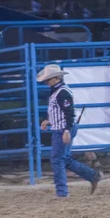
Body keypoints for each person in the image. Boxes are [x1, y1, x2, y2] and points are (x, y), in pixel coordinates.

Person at [37, 64, 103, 198]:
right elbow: (63, 112)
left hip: (62, 129)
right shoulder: (59, 91)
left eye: (48, 79)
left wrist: (66, 130)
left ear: (56, 78)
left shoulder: (62, 92)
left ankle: (62, 192)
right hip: (62, 127)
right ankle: (92, 175)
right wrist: (50, 120)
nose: (46, 82)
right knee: (63, 159)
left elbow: (69, 112)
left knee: (57, 160)